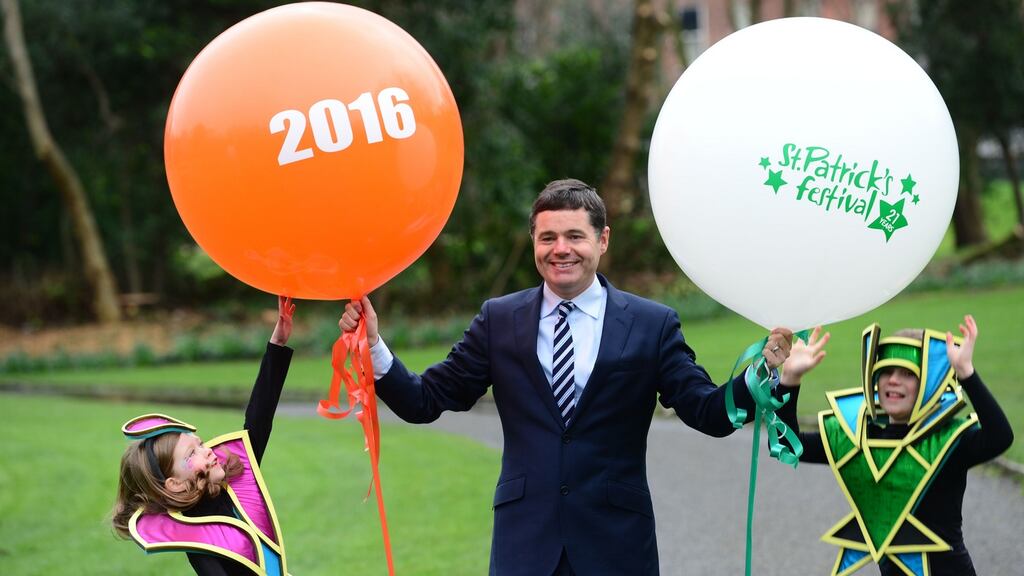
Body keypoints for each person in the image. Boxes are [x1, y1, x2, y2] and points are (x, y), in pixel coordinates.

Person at [339, 178, 793, 576]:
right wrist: (374, 347)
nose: (561, 249)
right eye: (548, 237)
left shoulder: (653, 324)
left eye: (575, 235)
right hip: (525, 545)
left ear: (603, 240)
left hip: (617, 545)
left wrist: (764, 370)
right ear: (534, 242)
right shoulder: (500, 320)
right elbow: (425, 400)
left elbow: (709, 413)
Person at [778, 316, 1013, 576]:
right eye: (886, 372)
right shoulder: (857, 439)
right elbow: (786, 445)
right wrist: (789, 379)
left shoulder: (948, 441)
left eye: (907, 374)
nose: (893, 380)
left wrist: (966, 373)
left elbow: (1000, 437)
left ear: (929, 383)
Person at [112, 296, 296, 576]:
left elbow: (259, 418)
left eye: (199, 444)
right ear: (174, 483)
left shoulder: (235, 477)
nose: (207, 450)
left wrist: (277, 345)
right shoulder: (196, 536)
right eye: (191, 454)